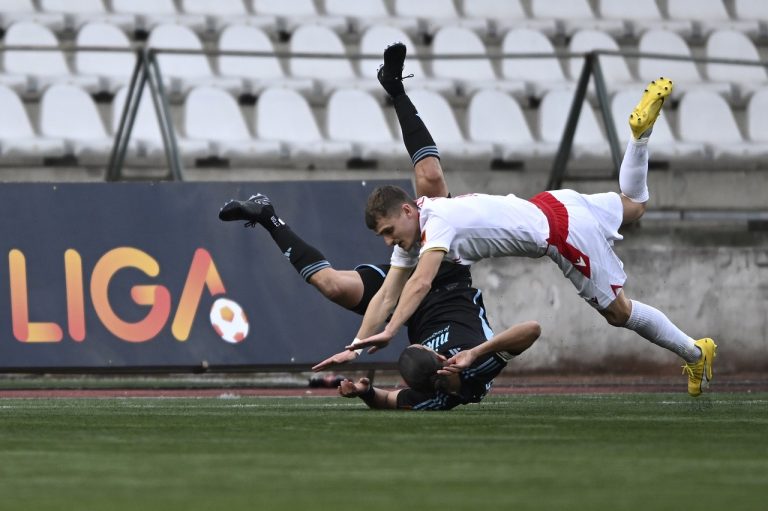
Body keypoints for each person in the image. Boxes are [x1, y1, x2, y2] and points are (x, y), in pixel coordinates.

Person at [348, 70, 717, 398]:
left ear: (408, 210)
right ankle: (640, 137)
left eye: (389, 231)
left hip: (562, 233)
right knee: (634, 205)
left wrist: (392, 330)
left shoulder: (436, 226)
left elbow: (419, 285)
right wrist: (354, 347)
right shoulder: (426, 214)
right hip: (552, 203)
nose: (387, 241)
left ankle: (696, 354)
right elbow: (385, 296)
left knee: (619, 313)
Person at [218, 42, 540, 410]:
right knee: (431, 177)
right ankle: (396, 89)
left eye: (388, 233)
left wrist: (356, 355)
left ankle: (267, 216)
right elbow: (530, 330)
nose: (389, 243)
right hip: (446, 279)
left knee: (332, 286)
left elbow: (390, 307)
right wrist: (475, 352)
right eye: (385, 235)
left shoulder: (429, 390)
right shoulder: (473, 370)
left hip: (411, 294)